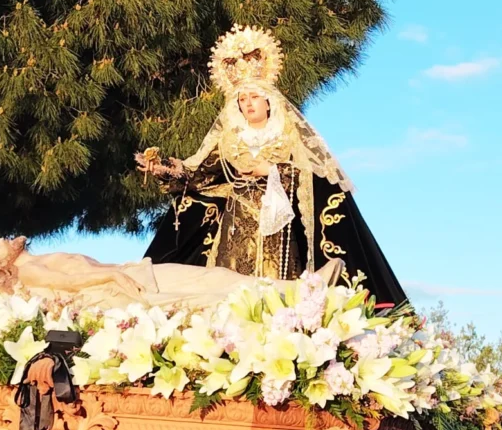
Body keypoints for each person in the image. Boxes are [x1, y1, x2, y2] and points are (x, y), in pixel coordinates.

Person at [138, 25, 409, 307]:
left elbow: (316, 175)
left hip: (278, 227)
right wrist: (165, 170)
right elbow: (198, 172)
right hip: (235, 226)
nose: (247, 104)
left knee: (276, 290)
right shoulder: (229, 140)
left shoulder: (288, 135)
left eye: (253, 97)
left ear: (268, 100)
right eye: (242, 99)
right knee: (227, 287)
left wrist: (271, 171)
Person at [0, 236, 345, 310]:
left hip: (130, 273)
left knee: (214, 278)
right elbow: (71, 283)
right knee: (213, 287)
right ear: (2, 264)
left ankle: (294, 289)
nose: (1, 239)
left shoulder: (37, 259)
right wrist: (111, 278)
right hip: (130, 284)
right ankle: (296, 294)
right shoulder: (32, 272)